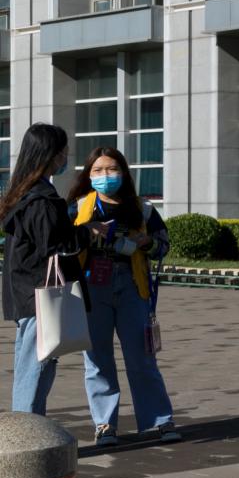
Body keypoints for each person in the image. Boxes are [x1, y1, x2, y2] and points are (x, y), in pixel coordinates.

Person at [69, 147, 179, 445]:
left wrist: (145, 242)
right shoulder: (78, 208)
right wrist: (87, 233)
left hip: (132, 285)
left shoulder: (142, 209)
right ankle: (105, 425)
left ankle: (159, 420)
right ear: (88, 175)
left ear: (123, 172)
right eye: (98, 170)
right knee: (97, 359)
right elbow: (62, 243)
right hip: (91, 287)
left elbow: (163, 246)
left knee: (142, 357)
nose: (105, 176)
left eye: (112, 169)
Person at [1, 124, 84, 416]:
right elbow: (57, 245)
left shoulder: (22, 193)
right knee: (36, 367)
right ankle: (28, 431)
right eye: (63, 152)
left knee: (32, 363)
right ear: (50, 155)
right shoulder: (41, 199)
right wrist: (87, 231)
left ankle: (27, 427)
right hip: (40, 295)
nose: (65, 157)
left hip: (26, 293)